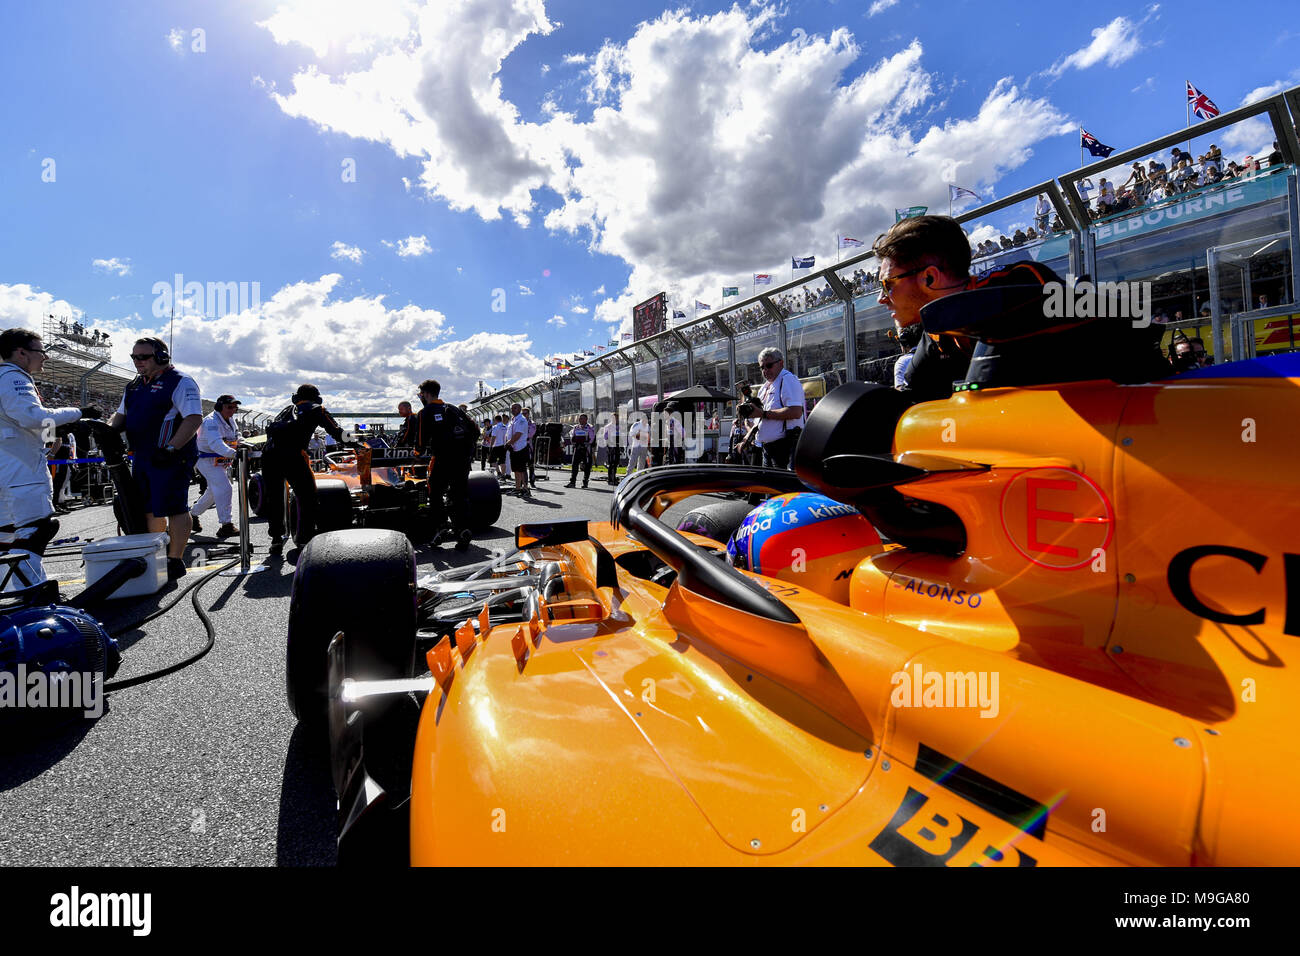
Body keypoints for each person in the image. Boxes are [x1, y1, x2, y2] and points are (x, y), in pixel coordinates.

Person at [0, 328, 100, 583]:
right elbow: (32, 417)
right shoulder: (13, 377)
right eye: (41, 351)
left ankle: (10, 594)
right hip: (21, 471)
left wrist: (57, 425)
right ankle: (30, 596)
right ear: (21, 352)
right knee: (34, 531)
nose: (45, 357)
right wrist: (79, 412)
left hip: (7, 468)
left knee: (6, 535)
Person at [108, 336, 203, 580]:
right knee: (149, 510)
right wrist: (103, 429)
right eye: (134, 357)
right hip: (142, 456)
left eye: (143, 357)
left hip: (171, 456)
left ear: (160, 356)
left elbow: (193, 419)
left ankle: (175, 559)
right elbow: (119, 418)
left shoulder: (181, 381)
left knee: (174, 508)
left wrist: (171, 449)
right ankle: (157, 554)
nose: (137, 361)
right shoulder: (134, 385)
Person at [873, 214, 976, 403]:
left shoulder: (1026, 289)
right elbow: (909, 401)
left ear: (930, 278)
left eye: (888, 285)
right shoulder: (935, 334)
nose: (881, 299)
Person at [261, 383, 344, 556]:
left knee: (274, 498)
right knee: (307, 497)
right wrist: (355, 443)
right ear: (316, 397)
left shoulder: (286, 410)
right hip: (293, 456)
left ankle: (276, 539)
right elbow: (336, 431)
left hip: (269, 456)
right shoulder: (317, 409)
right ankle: (305, 538)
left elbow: (270, 432)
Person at [415, 379, 478, 550]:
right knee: (459, 493)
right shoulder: (455, 408)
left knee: (435, 492)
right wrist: (468, 450)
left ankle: (440, 527)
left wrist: (417, 454)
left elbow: (420, 442)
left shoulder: (424, 412)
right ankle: (462, 528)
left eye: (420, 394)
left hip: (442, 458)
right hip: (463, 460)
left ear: (426, 394)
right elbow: (475, 429)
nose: (420, 397)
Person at [744, 348, 805, 470]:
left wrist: (763, 413)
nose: (765, 370)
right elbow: (761, 417)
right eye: (762, 367)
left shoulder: (787, 379)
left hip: (784, 447)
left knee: (782, 487)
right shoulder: (764, 387)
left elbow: (796, 411)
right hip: (767, 448)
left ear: (781, 363)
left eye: (769, 365)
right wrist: (748, 416)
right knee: (770, 487)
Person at [189, 395, 241, 539]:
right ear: (219, 407)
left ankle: (192, 515)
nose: (233, 410)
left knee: (213, 491)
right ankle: (226, 525)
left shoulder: (230, 420)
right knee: (225, 488)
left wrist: (245, 444)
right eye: (229, 407)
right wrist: (234, 454)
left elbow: (236, 437)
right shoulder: (211, 422)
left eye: (235, 407)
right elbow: (215, 444)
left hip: (220, 459)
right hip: (206, 459)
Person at [565, 413, 595, 487]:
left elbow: (592, 438)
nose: (580, 420)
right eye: (579, 418)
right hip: (577, 448)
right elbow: (571, 435)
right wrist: (574, 442)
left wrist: (587, 443)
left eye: (582, 418)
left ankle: (585, 482)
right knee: (574, 465)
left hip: (586, 449)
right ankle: (572, 482)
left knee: (587, 466)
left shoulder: (590, 427)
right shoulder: (575, 427)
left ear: (586, 420)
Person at [522, 407, 539, 487]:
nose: (523, 415)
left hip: (528, 446)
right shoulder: (519, 422)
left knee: (530, 465)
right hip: (520, 446)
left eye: (525, 413)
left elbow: (530, 434)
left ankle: (532, 481)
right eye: (522, 413)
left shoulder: (531, 423)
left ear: (528, 414)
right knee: (522, 465)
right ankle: (523, 482)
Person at [489, 414, 508, 479]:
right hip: (504, 446)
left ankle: (499, 472)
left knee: (492, 461)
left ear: (496, 420)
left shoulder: (495, 427)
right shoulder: (505, 427)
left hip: (496, 446)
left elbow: (493, 437)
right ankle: (503, 475)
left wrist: (491, 446)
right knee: (502, 461)